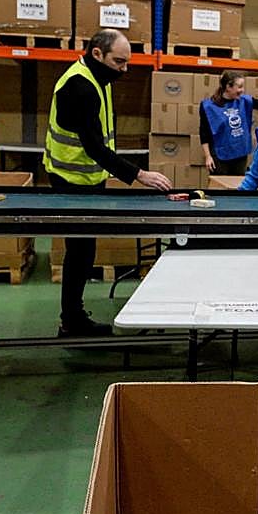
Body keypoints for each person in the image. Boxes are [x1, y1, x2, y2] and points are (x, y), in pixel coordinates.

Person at [44, 29, 172, 337]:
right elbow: (94, 147)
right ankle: (71, 322)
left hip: (87, 177)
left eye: (127, 62)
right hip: (70, 179)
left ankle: (72, 317)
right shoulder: (81, 87)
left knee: (84, 249)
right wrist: (139, 175)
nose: (124, 70)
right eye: (119, 62)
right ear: (97, 54)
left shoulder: (96, 77)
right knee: (79, 250)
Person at [198, 70, 258, 176]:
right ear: (228, 87)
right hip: (220, 155)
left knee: (237, 186)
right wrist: (208, 156)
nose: (242, 90)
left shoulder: (244, 101)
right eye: (240, 86)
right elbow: (204, 132)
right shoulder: (209, 106)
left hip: (240, 154)